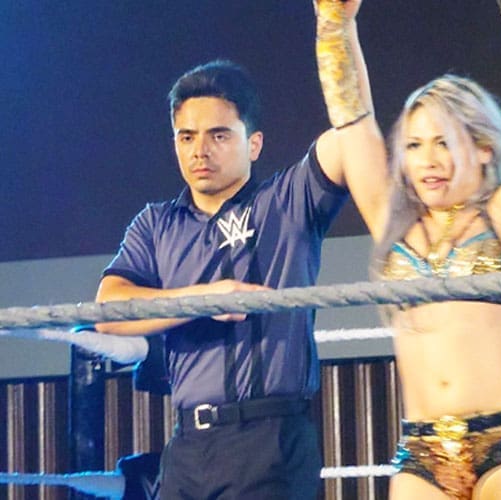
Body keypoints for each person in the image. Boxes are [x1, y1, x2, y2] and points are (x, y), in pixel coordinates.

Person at [314, 1, 501, 499]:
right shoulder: (393, 221)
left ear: (483, 147)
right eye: (413, 146)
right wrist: (334, 23)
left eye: (443, 143)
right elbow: (351, 118)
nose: (427, 160)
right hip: (423, 448)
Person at [94, 57, 363, 499]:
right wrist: (203, 300)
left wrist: (337, 32)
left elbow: (350, 134)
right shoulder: (155, 224)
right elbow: (108, 312)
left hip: (270, 439)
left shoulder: (286, 202)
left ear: (254, 144)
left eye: (218, 135)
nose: (200, 150)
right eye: (187, 136)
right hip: (186, 444)